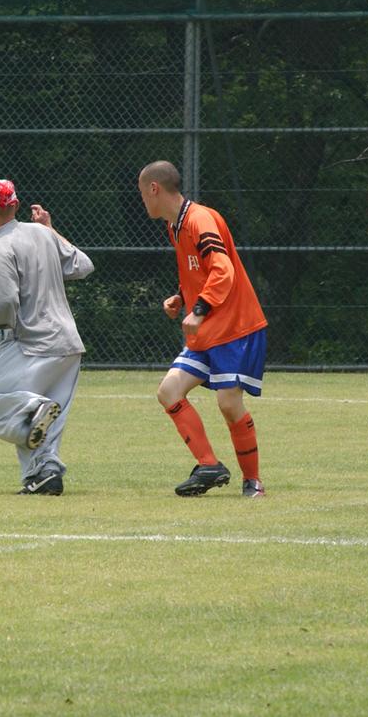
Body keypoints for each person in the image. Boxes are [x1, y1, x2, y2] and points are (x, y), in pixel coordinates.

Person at [0, 179, 93, 495]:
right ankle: (46, 475)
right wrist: (50, 229)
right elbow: (83, 265)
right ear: (15, 206)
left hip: (34, 342)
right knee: (38, 426)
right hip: (69, 345)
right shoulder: (41, 234)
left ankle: (34, 410)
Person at [137, 161, 268, 498]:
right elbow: (201, 269)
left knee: (228, 404)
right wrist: (182, 297)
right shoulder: (175, 226)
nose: (143, 201)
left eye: (142, 193)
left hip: (235, 327)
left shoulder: (199, 220)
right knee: (169, 391)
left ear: (154, 189)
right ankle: (209, 464)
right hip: (207, 329)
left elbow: (223, 269)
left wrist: (199, 309)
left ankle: (253, 482)